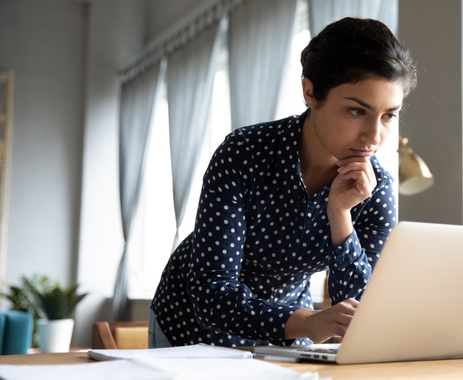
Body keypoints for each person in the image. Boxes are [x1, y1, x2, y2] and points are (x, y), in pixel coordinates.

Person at [149, 17, 417, 348]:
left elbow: (358, 309)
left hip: (291, 328)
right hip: (191, 325)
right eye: (357, 112)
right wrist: (305, 321)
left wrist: (340, 214)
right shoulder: (243, 153)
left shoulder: (375, 190)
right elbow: (212, 293)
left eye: (389, 115)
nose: (374, 137)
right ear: (311, 93)